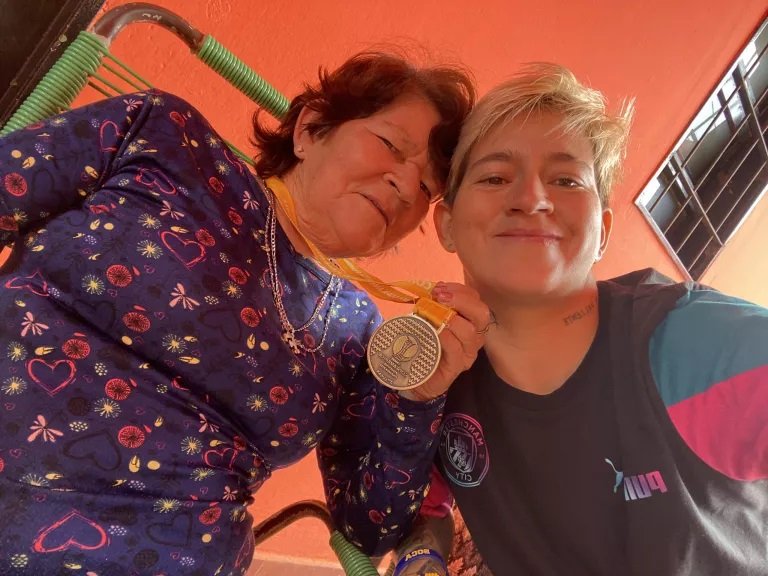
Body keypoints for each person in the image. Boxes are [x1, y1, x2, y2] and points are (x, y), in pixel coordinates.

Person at [0, 51, 489, 575]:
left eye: (426, 188)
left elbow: (369, 526)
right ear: (310, 129)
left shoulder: (356, 328)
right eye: (391, 145)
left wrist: (417, 399)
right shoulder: (167, 138)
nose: (405, 187)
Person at [392, 63, 768, 576]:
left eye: (566, 180)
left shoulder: (693, 339)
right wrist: (421, 556)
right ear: (447, 224)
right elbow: (423, 510)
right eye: (495, 177)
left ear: (603, 231)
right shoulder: (442, 377)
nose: (531, 199)